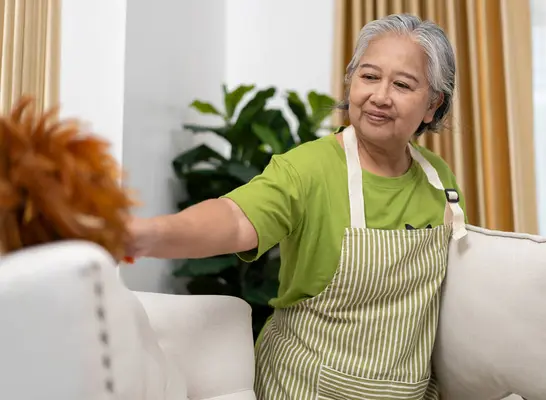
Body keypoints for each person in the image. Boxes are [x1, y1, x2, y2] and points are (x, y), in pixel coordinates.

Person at [128, 13, 467, 400]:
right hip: (305, 388)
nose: (380, 96)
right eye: (369, 76)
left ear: (432, 104)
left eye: (402, 84)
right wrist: (149, 234)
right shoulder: (308, 169)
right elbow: (236, 219)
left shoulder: (439, 179)